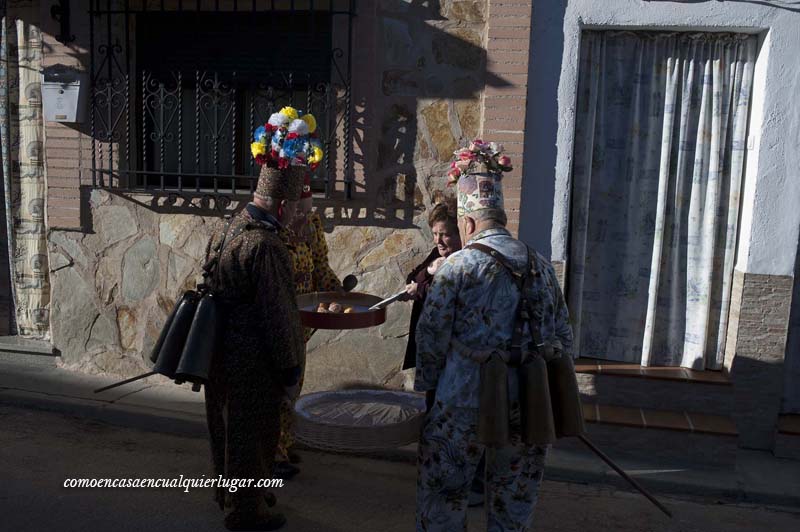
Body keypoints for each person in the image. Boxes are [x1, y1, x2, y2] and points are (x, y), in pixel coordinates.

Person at [414, 162, 574, 531]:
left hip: (462, 400)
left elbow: (431, 336)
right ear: (500, 217)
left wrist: (429, 387)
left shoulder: (457, 267)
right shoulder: (542, 266)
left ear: (467, 224)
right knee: (514, 500)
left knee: (444, 495)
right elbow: (563, 337)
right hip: (528, 401)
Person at [203, 166, 305, 531]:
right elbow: (277, 313)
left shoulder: (225, 229)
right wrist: (290, 367)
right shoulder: (266, 244)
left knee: (227, 429)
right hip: (252, 360)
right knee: (254, 435)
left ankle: (242, 494)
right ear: (280, 206)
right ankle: (247, 511)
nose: (294, 213)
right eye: (292, 205)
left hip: (219, 353)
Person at [275, 173, 342, 478]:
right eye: (299, 211)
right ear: (285, 209)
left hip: (303, 322)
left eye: (309, 210)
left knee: (294, 386)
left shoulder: (311, 226)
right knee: (278, 387)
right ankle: (272, 452)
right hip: (279, 321)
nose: (305, 217)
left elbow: (320, 264)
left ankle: (286, 443)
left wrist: (337, 292)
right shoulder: (273, 236)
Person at [400, 198, 462, 371]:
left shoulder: (465, 260)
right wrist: (429, 269)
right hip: (428, 340)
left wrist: (419, 289)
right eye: (435, 234)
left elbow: (450, 296)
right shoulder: (437, 252)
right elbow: (411, 278)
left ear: (460, 233)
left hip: (448, 345)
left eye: (444, 234)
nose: (437, 240)